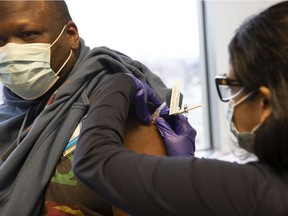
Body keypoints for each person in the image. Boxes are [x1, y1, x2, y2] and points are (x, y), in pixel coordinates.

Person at [73, 1, 288, 215]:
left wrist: (118, 82)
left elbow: (93, 160)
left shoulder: (253, 190)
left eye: (232, 88)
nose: (231, 101)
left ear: (264, 102)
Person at [0, 1, 182, 215]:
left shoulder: (120, 105)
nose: (12, 51)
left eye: (28, 34)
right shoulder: (9, 115)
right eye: (0, 40)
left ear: (70, 35)